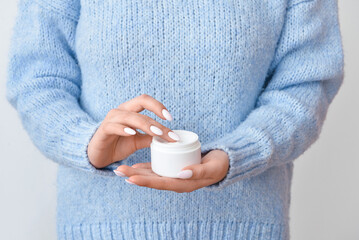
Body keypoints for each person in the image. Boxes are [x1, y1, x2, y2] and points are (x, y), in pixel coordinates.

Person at [6, 0, 344, 239]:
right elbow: (38, 80)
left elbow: (306, 85)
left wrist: (237, 154)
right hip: (100, 227)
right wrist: (86, 143)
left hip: (244, 227)